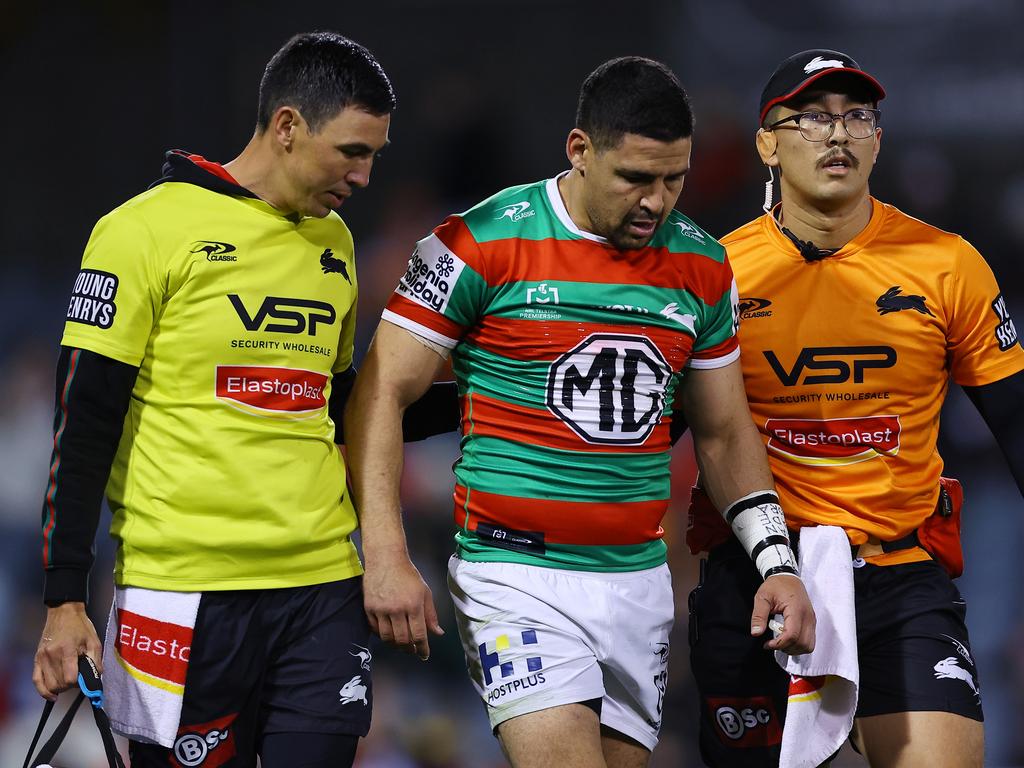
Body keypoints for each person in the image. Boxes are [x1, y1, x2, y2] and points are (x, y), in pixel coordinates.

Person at [344, 56, 815, 768]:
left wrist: (776, 560)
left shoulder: (703, 266)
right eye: (635, 178)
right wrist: (384, 553)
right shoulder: (478, 242)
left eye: (673, 178)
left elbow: (722, 433)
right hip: (515, 573)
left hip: (636, 581)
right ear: (580, 151)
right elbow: (381, 391)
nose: (656, 202)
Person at [33, 31, 457, 768]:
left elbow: (342, 408)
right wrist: (65, 596)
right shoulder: (140, 231)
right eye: (351, 151)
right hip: (182, 598)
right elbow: (85, 415)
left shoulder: (336, 244)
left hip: (322, 587)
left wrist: (481, 400)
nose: (362, 176)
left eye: (374, 157)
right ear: (288, 127)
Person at [686, 49, 1024, 767]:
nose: (837, 135)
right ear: (767, 143)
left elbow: (1016, 422)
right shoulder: (715, 274)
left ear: (878, 139)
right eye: (811, 118)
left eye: (857, 117)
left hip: (900, 578)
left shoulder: (946, 264)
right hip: (757, 578)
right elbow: (665, 432)